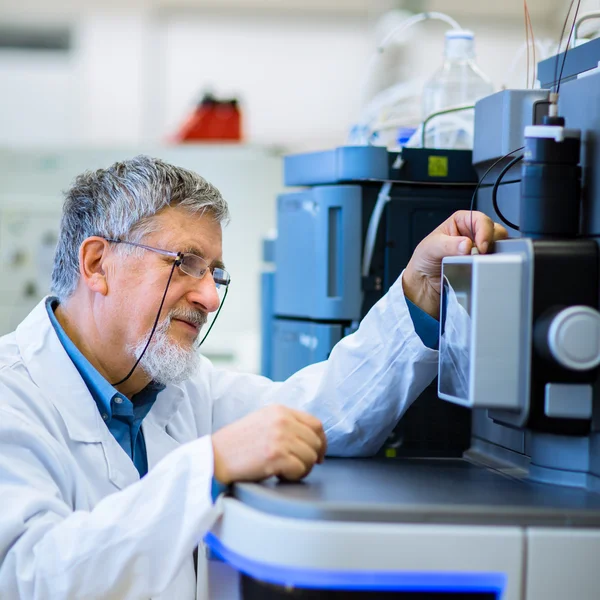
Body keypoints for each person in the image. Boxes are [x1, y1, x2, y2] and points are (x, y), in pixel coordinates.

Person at [0, 156, 507, 599]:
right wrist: (211, 464)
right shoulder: (13, 394)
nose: (209, 297)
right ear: (96, 264)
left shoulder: (180, 387)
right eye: (184, 265)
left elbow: (318, 416)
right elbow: (30, 579)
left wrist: (420, 290)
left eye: (214, 274)